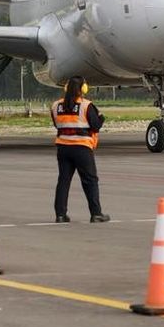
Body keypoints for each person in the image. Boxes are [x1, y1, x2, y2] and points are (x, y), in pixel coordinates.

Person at [50, 75, 109, 223]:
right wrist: (101, 118)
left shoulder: (56, 105)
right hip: (82, 147)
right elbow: (95, 126)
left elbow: (57, 124)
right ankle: (96, 213)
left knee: (63, 181)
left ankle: (60, 215)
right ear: (83, 88)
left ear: (66, 88)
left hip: (63, 147)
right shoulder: (86, 105)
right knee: (90, 180)